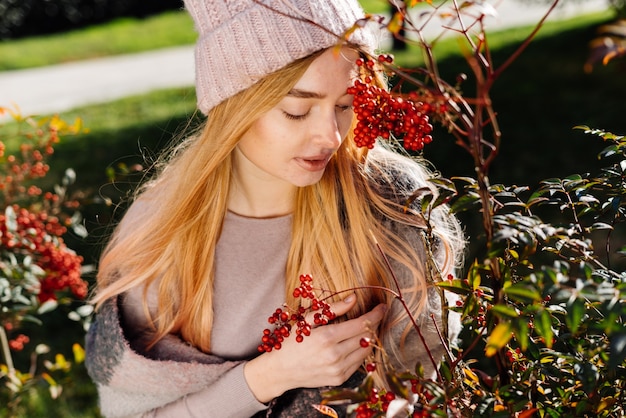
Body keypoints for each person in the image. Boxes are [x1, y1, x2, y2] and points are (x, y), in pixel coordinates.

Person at [85, 0, 465, 417]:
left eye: (344, 105)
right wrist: (268, 377)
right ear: (236, 107)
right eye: (297, 110)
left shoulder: (391, 206)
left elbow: (426, 386)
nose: (330, 136)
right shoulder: (160, 231)